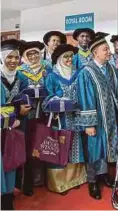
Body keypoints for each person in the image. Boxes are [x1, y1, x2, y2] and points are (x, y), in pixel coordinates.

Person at [77, 32, 118, 200]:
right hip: (96, 118)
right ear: (95, 53)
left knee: (108, 147)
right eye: (105, 50)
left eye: (108, 49)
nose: (109, 52)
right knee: (95, 149)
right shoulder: (86, 72)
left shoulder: (109, 68)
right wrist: (89, 124)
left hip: (111, 116)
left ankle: (103, 175)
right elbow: (85, 99)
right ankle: (92, 181)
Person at [43, 44, 87, 194]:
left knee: (76, 146)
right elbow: (47, 98)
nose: (69, 59)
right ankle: (59, 183)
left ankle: (76, 179)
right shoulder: (52, 76)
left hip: (76, 117)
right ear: (59, 59)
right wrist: (56, 101)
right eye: (65, 57)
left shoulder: (79, 73)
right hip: (60, 119)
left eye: (70, 56)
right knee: (61, 147)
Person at [17, 41, 49, 196]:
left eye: (36, 53)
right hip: (27, 117)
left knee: (43, 146)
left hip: (44, 115)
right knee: (28, 149)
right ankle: (27, 182)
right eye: (29, 54)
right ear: (24, 56)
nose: (34, 56)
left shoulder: (47, 68)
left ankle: (42, 180)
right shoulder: (20, 71)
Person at [1, 39, 30, 210]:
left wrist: (24, 110)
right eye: (9, 57)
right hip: (1, 127)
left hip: (15, 126)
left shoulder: (21, 78)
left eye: (16, 57)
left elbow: (26, 100)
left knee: (11, 159)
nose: (13, 61)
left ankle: (8, 195)